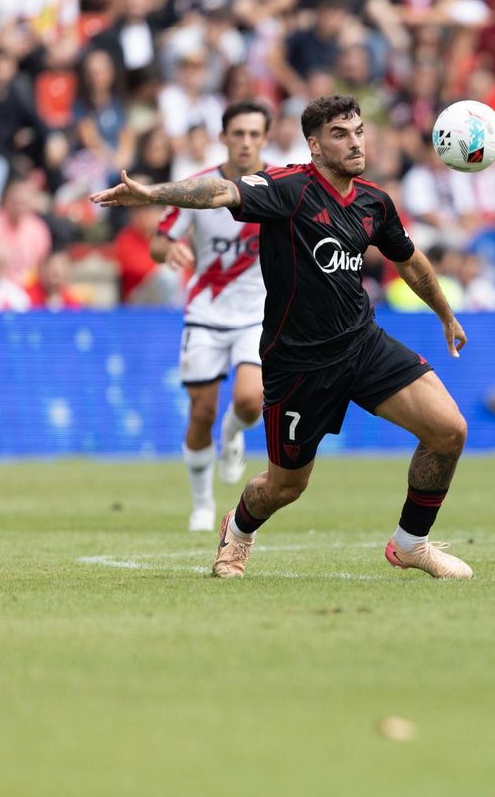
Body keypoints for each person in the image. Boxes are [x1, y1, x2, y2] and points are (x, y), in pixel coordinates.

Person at [91, 95, 473, 581]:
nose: (355, 143)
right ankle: (237, 531)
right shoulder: (287, 188)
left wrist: (444, 313)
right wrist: (152, 194)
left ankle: (411, 543)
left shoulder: (374, 202)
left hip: (363, 344)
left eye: (358, 131)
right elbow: (220, 191)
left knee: (448, 431)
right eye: (340, 134)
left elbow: (410, 260)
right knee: (285, 487)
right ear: (314, 145)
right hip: (299, 364)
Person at [147, 101, 271, 533]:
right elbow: (158, 241)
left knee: (250, 401)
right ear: (223, 137)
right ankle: (202, 504)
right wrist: (169, 249)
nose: (246, 142)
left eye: (254, 134)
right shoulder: (199, 187)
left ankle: (233, 434)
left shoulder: (279, 185)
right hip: (205, 311)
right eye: (238, 133)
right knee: (201, 412)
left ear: (265, 139)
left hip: (257, 314)